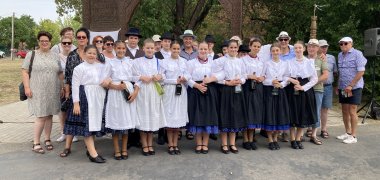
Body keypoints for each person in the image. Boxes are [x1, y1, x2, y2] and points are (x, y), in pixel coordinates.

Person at [22, 31, 64, 154]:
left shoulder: (55, 55)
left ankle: (47, 139)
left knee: (50, 114)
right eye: (42, 41)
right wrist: (27, 87)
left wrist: (62, 87)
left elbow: (60, 72)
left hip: (53, 90)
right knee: (41, 115)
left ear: (50, 42)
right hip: (37, 90)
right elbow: (24, 71)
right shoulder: (32, 54)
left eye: (47, 41)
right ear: (39, 42)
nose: (44, 43)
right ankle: (36, 142)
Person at [69, 45, 108, 163]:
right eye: (89, 53)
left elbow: (109, 76)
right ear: (84, 54)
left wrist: (108, 80)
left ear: (97, 55)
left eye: (94, 53)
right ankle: (93, 153)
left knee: (95, 123)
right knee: (88, 124)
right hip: (86, 96)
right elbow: (75, 86)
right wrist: (76, 103)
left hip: (99, 97)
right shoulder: (79, 68)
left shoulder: (101, 66)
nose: (92, 55)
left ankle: (90, 149)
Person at [60, 27, 95, 157]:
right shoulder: (72, 54)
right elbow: (67, 75)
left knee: (89, 120)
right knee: (72, 118)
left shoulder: (93, 52)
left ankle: (89, 146)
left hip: (90, 92)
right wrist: (68, 93)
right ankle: (67, 147)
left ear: (87, 38)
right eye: (79, 37)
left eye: (83, 37)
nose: (81, 39)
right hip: (75, 91)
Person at [104, 40, 140, 160]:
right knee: (116, 123)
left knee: (126, 122)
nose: (121, 50)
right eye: (118, 48)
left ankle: (124, 149)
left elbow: (137, 78)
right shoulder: (110, 63)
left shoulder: (130, 62)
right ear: (114, 48)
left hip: (128, 91)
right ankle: (116, 150)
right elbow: (104, 80)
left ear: (126, 49)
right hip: (115, 93)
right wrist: (115, 86)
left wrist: (135, 92)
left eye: (123, 48)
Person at [212, 40, 247, 154]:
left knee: (235, 116)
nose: (233, 49)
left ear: (237, 48)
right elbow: (215, 76)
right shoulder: (220, 61)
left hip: (237, 90)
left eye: (235, 47)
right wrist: (227, 82)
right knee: (225, 115)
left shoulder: (240, 61)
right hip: (225, 90)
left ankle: (232, 143)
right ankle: (224, 144)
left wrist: (240, 80)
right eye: (231, 47)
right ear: (227, 48)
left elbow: (244, 76)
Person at [132, 38, 167, 156]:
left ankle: (150, 144)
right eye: (147, 48)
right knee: (143, 117)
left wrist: (159, 76)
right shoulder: (137, 61)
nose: (150, 50)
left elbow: (163, 75)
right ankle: (144, 144)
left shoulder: (159, 61)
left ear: (155, 49)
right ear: (143, 48)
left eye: (152, 48)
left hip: (154, 92)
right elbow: (132, 76)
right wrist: (141, 77)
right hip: (142, 91)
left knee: (152, 117)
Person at [186, 42, 220, 154]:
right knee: (197, 117)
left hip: (209, 90)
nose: (203, 51)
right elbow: (187, 77)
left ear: (208, 50)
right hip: (196, 90)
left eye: (205, 49)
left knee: (208, 117)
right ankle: (198, 143)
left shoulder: (213, 63)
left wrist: (211, 79)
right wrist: (197, 86)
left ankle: (205, 143)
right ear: (197, 49)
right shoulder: (191, 63)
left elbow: (219, 75)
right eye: (201, 49)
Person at [286, 41, 318, 149]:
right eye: (296, 48)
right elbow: (285, 76)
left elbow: (314, 79)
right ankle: (292, 139)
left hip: (305, 89)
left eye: (300, 48)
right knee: (292, 113)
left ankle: (298, 138)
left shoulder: (309, 62)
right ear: (293, 50)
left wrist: (303, 87)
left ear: (303, 49)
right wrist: (292, 81)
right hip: (292, 88)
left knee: (302, 114)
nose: (298, 50)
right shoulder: (289, 62)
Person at [336, 37, 367, 144]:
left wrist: (351, 85)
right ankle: (347, 132)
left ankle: (353, 136)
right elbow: (341, 72)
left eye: (345, 43)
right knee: (344, 110)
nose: (343, 45)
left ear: (351, 44)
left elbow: (361, 71)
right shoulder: (340, 55)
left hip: (355, 87)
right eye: (341, 44)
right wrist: (338, 85)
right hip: (343, 87)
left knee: (352, 110)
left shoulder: (358, 54)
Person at [160, 40, 189, 155]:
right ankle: (170, 145)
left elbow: (188, 74)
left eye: (178, 49)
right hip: (169, 91)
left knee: (178, 118)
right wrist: (174, 80)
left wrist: (184, 78)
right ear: (170, 49)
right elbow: (162, 78)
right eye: (174, 49)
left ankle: (175, 144)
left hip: (181, 91)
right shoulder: (164, 62)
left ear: (180, 50)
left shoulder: (184, 61)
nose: (176, 51)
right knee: (170, 117)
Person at [262, 42, 291, 150]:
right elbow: (263, 78)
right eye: (273, 51)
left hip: (280, 90)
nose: (275, 52)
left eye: (277, 50)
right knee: (270, 114)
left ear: (280, 51)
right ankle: (270, 139)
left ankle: (275, 138)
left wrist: (281, 84)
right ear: (270, 52)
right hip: (269, 90)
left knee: (280, 114)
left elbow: (287, 78)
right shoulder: (267, 63)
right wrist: (271, 81)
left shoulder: (285, 63)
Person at [241, 38, 264, 150]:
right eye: (254, 46)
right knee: (247, 112)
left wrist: (262, 77)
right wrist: (250, 76)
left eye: (258, 46)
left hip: (258, 87)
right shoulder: (243, 60)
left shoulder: (261, 60)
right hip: (247, 87)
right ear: (250, 46)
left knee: (255, 112)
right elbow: (241, 74)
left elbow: (265, 74)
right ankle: (245, 139)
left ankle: (251, 138)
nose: (256, 48)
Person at [305, 39, 329, 145]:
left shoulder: (321, 60)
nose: (311, 48)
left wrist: (314, 82)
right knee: (304, 110)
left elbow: (325, 75)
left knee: (316, 111)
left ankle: (314, 135)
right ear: (307, 48)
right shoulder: (303, 59)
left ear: (318, 48)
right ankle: (300, 134)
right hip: (305, 90)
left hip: (317, 89)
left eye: (314, 46)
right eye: (310, 46)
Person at [124, 27, 144, 148]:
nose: (133, 40)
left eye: (135, 38)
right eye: (131, 38)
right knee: (128, 110)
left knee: (138, 110)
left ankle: (137, 138)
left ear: (138, 40)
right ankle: (128, 139)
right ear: (128, 39)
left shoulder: (142, 52)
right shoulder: (122, 51)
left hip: (140, 84)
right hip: (127, 84)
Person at [56, 36, 78, 143]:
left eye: (68, 43)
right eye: (64, 43)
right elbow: (57, 73)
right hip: (62, 87)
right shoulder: (57, 57)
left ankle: (73, 133)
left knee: (73, 110)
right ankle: (63, 132)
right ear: (61, 44)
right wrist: (62, 87)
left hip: (74, 86)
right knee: (63, 111)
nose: (66, 45)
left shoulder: (75, 55)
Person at [319, 39, 337, 139]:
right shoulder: (314, 58)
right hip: (316, 86)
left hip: (328, 86)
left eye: (325, 46)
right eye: (322, 46)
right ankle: (311, 128)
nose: (324, 48)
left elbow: (335, 72)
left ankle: (324, 129)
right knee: (315, 108)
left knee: (325, 109)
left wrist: (336, 85)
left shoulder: (332, 58)